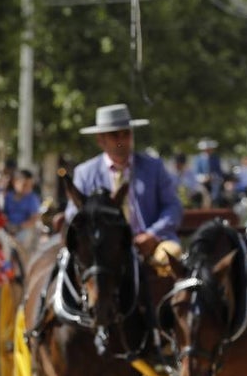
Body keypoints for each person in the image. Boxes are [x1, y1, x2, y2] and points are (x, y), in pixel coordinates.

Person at [69, 103, 183, 271]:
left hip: (151, 246)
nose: (122, 140)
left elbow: (173, 206)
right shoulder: (85, 173)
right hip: (103, 250)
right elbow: (73, 214)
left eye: (126, 134)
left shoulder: (154, 167)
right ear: (101, 140)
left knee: (171, 255)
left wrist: (152, 235)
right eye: (115, 135)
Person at [3, 167, 43, 252]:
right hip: (8, 227)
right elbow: (4, 213)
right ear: (15, 182)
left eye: (30, 185)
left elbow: (34, 219)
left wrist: (18, 227)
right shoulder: (8, 196)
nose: (28, 188)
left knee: (21, 241)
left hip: (24, 229)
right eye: (25, 185)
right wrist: (7, 226)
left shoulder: (32, 198)